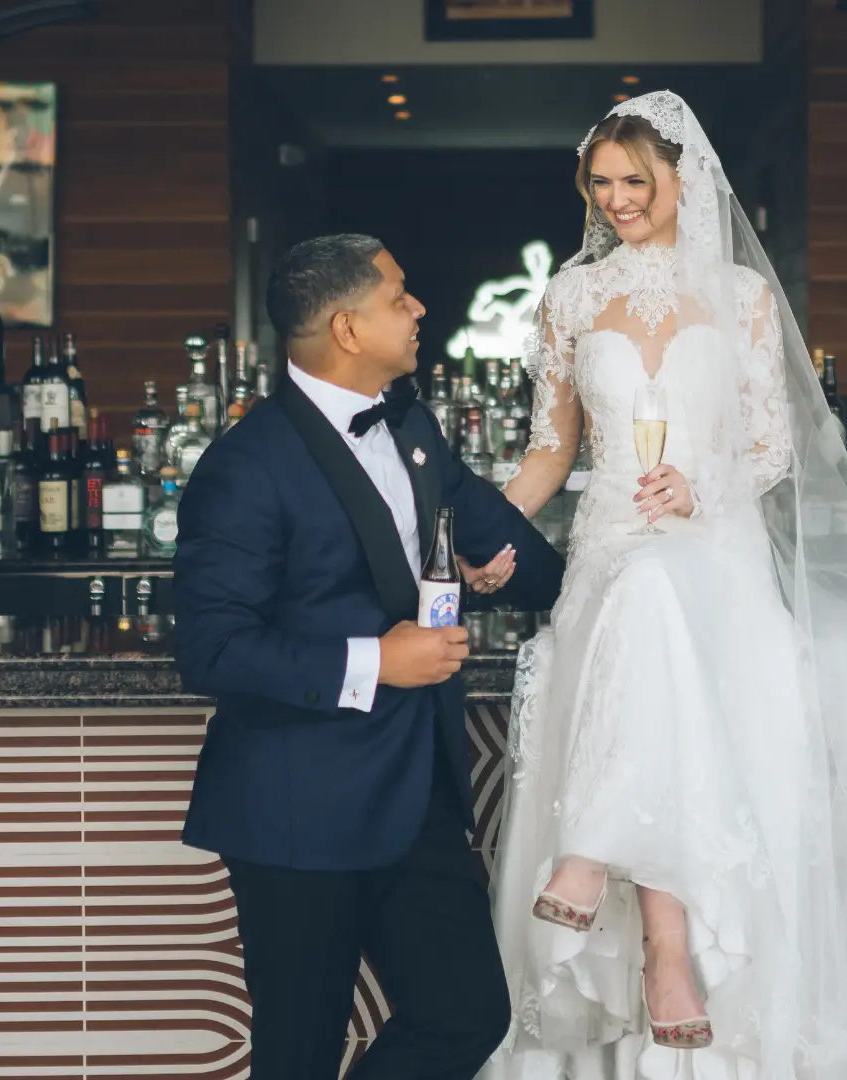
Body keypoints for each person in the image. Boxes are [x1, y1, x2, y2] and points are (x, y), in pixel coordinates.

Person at [484, 92, 847, 1078]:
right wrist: (486, 528)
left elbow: (773, 446)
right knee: (637, 598)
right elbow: (552, 449)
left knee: (658, 606)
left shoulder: (742, 298)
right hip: (611, 550)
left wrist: (699, 482)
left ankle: (605, 873)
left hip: (713, 546)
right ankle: (664, 947)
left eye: (635, 180)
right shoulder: (569, 297)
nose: (618, 199)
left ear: (682, 177)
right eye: (601, 183)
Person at [173, 234, 565, 1080]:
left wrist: (623, 559)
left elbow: (522, 557)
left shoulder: (415, 427)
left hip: (416, 795)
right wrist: (374, 663)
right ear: (348, 329)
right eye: (399, 297)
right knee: (300, 1051)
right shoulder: (245, 468)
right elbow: (210, 649)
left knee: (466, 1015)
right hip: (295, 804)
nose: (419, 308)